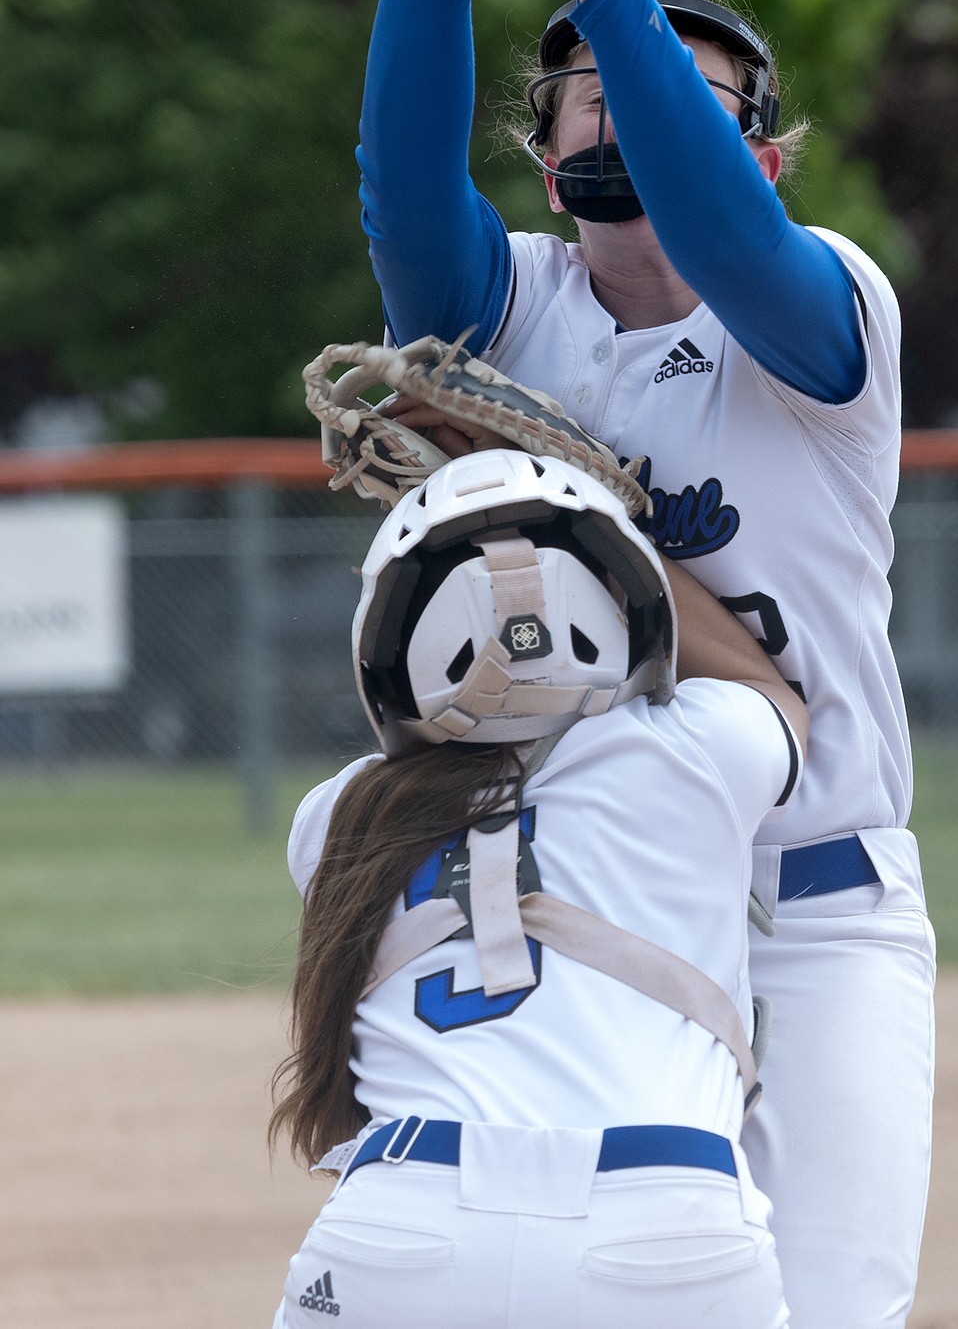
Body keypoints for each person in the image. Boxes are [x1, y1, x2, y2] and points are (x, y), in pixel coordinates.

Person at [353, 0, 937, 1329]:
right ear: (543, 155)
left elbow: (716, 221)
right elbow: (403, 192)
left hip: (822, 909)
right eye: (586, 91)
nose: (619, 103)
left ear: (763, 151)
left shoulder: (821, 302)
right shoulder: (512, 305)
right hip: (593, 903)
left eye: (675, 94)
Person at [270, 446, 807, 1329]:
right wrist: (617, 529)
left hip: (401, 1220)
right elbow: (770, 689)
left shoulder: (334, 819)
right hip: (668, 1223)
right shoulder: (692, 751)